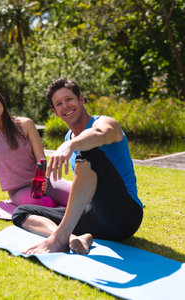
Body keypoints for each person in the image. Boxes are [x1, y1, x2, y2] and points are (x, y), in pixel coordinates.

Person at [12, 78, 143, 254]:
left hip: (125, 216)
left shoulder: (105, 123)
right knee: (21, 213)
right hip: (97, 217)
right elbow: (85, 181)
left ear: (81, 99)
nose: (65, 106)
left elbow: (99, 134)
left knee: (88, 150)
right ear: (55, 112)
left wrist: (71, 145)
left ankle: (59, 239)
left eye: (69, 99)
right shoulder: (69, 137)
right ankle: (73, 238)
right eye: (59, 104)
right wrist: (48, 185)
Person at [0, 86, 64, 207]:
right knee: (36, 202)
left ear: (1, 101)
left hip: (43, 182)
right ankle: (61, 206)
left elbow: (41, 158)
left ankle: (63, 204)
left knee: (74, 193)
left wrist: (44, 180)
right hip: (18, 189)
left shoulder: (26, 124)